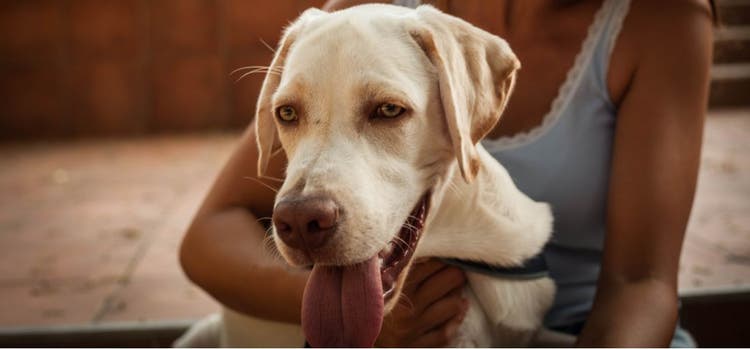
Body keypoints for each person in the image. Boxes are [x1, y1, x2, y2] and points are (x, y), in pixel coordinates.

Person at [179, 0, 714, 346]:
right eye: (289, 115)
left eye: (386, 110)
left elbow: (641, 283)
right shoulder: (359, 23)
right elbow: (210, 233)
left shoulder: (660, 19)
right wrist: (365, 322)